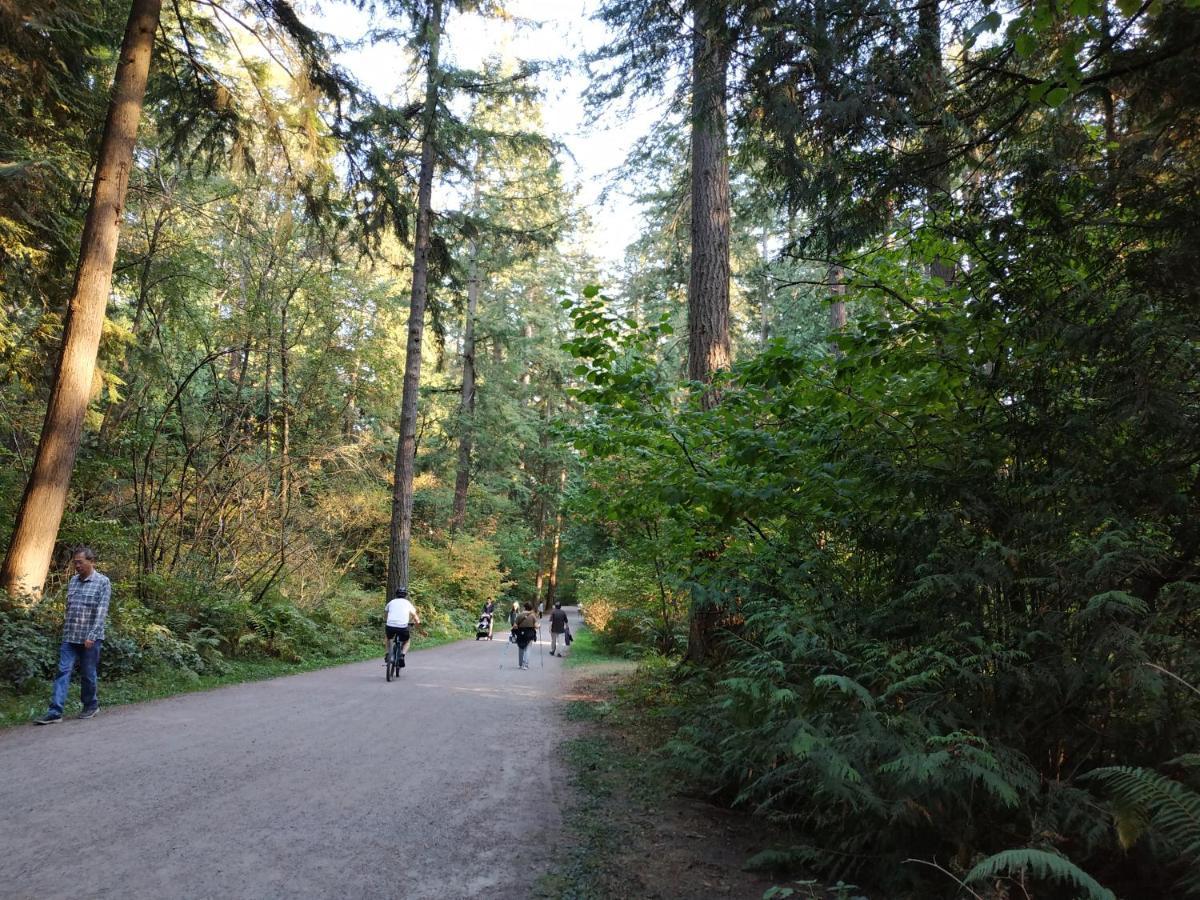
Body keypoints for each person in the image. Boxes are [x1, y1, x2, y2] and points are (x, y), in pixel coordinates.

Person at [35, 547, 111, 724]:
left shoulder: (103, 582)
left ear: (91, 561)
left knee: (88, 673)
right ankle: (55, 712)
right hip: (70, 637)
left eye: (80, 562)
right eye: (75, 562)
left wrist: (91, 635)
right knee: (63, 671)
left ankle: (90, 705)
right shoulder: (73, 581)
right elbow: (69, 607)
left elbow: (102, 611)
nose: (77, 565)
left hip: (90, 639)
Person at [385, 589, 421, 668]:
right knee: (407, 641)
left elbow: (387, 614)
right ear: (405, 595)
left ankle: (387, 653)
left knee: (388, 638)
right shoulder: (408, 603)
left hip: (390, 625)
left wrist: (388, 621)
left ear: (396, 594)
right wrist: (417, 622)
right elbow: (414, 616)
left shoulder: (391, 602)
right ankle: (402, 655)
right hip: (402, 627)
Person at [512, 602, 538, 670]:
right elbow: (536, 626)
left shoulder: (520, 615)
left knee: (521, 648)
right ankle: (525, 665)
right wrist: (539, 626)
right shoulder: (533, 616)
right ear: (531, 608)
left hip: (520, 634)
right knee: (528, 649)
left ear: (524, 607)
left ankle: (520, 664)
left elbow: (515, 626)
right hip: (529, 634)